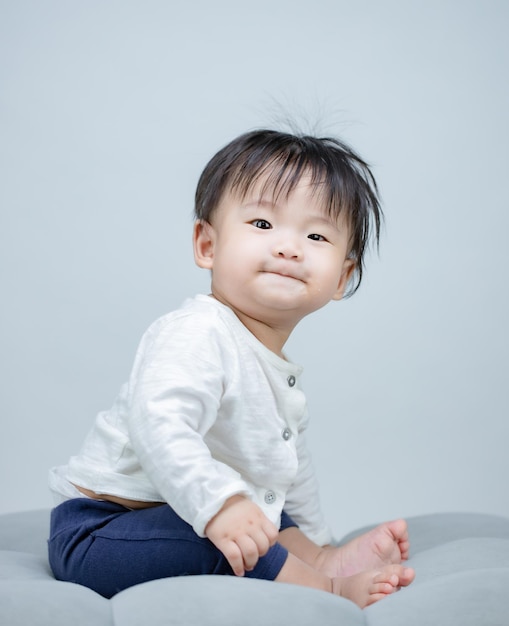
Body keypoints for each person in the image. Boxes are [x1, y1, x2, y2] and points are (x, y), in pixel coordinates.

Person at [48, 129, 415, 607]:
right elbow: (158, 425)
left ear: (342, 277)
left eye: (316, 235)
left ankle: (322, 563)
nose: (288, 247)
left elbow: (287, 468)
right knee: (234, 525)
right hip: (102, 531)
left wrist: (317, 541)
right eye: (262, 224)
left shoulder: (270, 363)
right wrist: (220, 506)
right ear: (207, 245)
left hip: (181, 510)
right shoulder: (197, 332)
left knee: (261, 499)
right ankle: (324, 587)